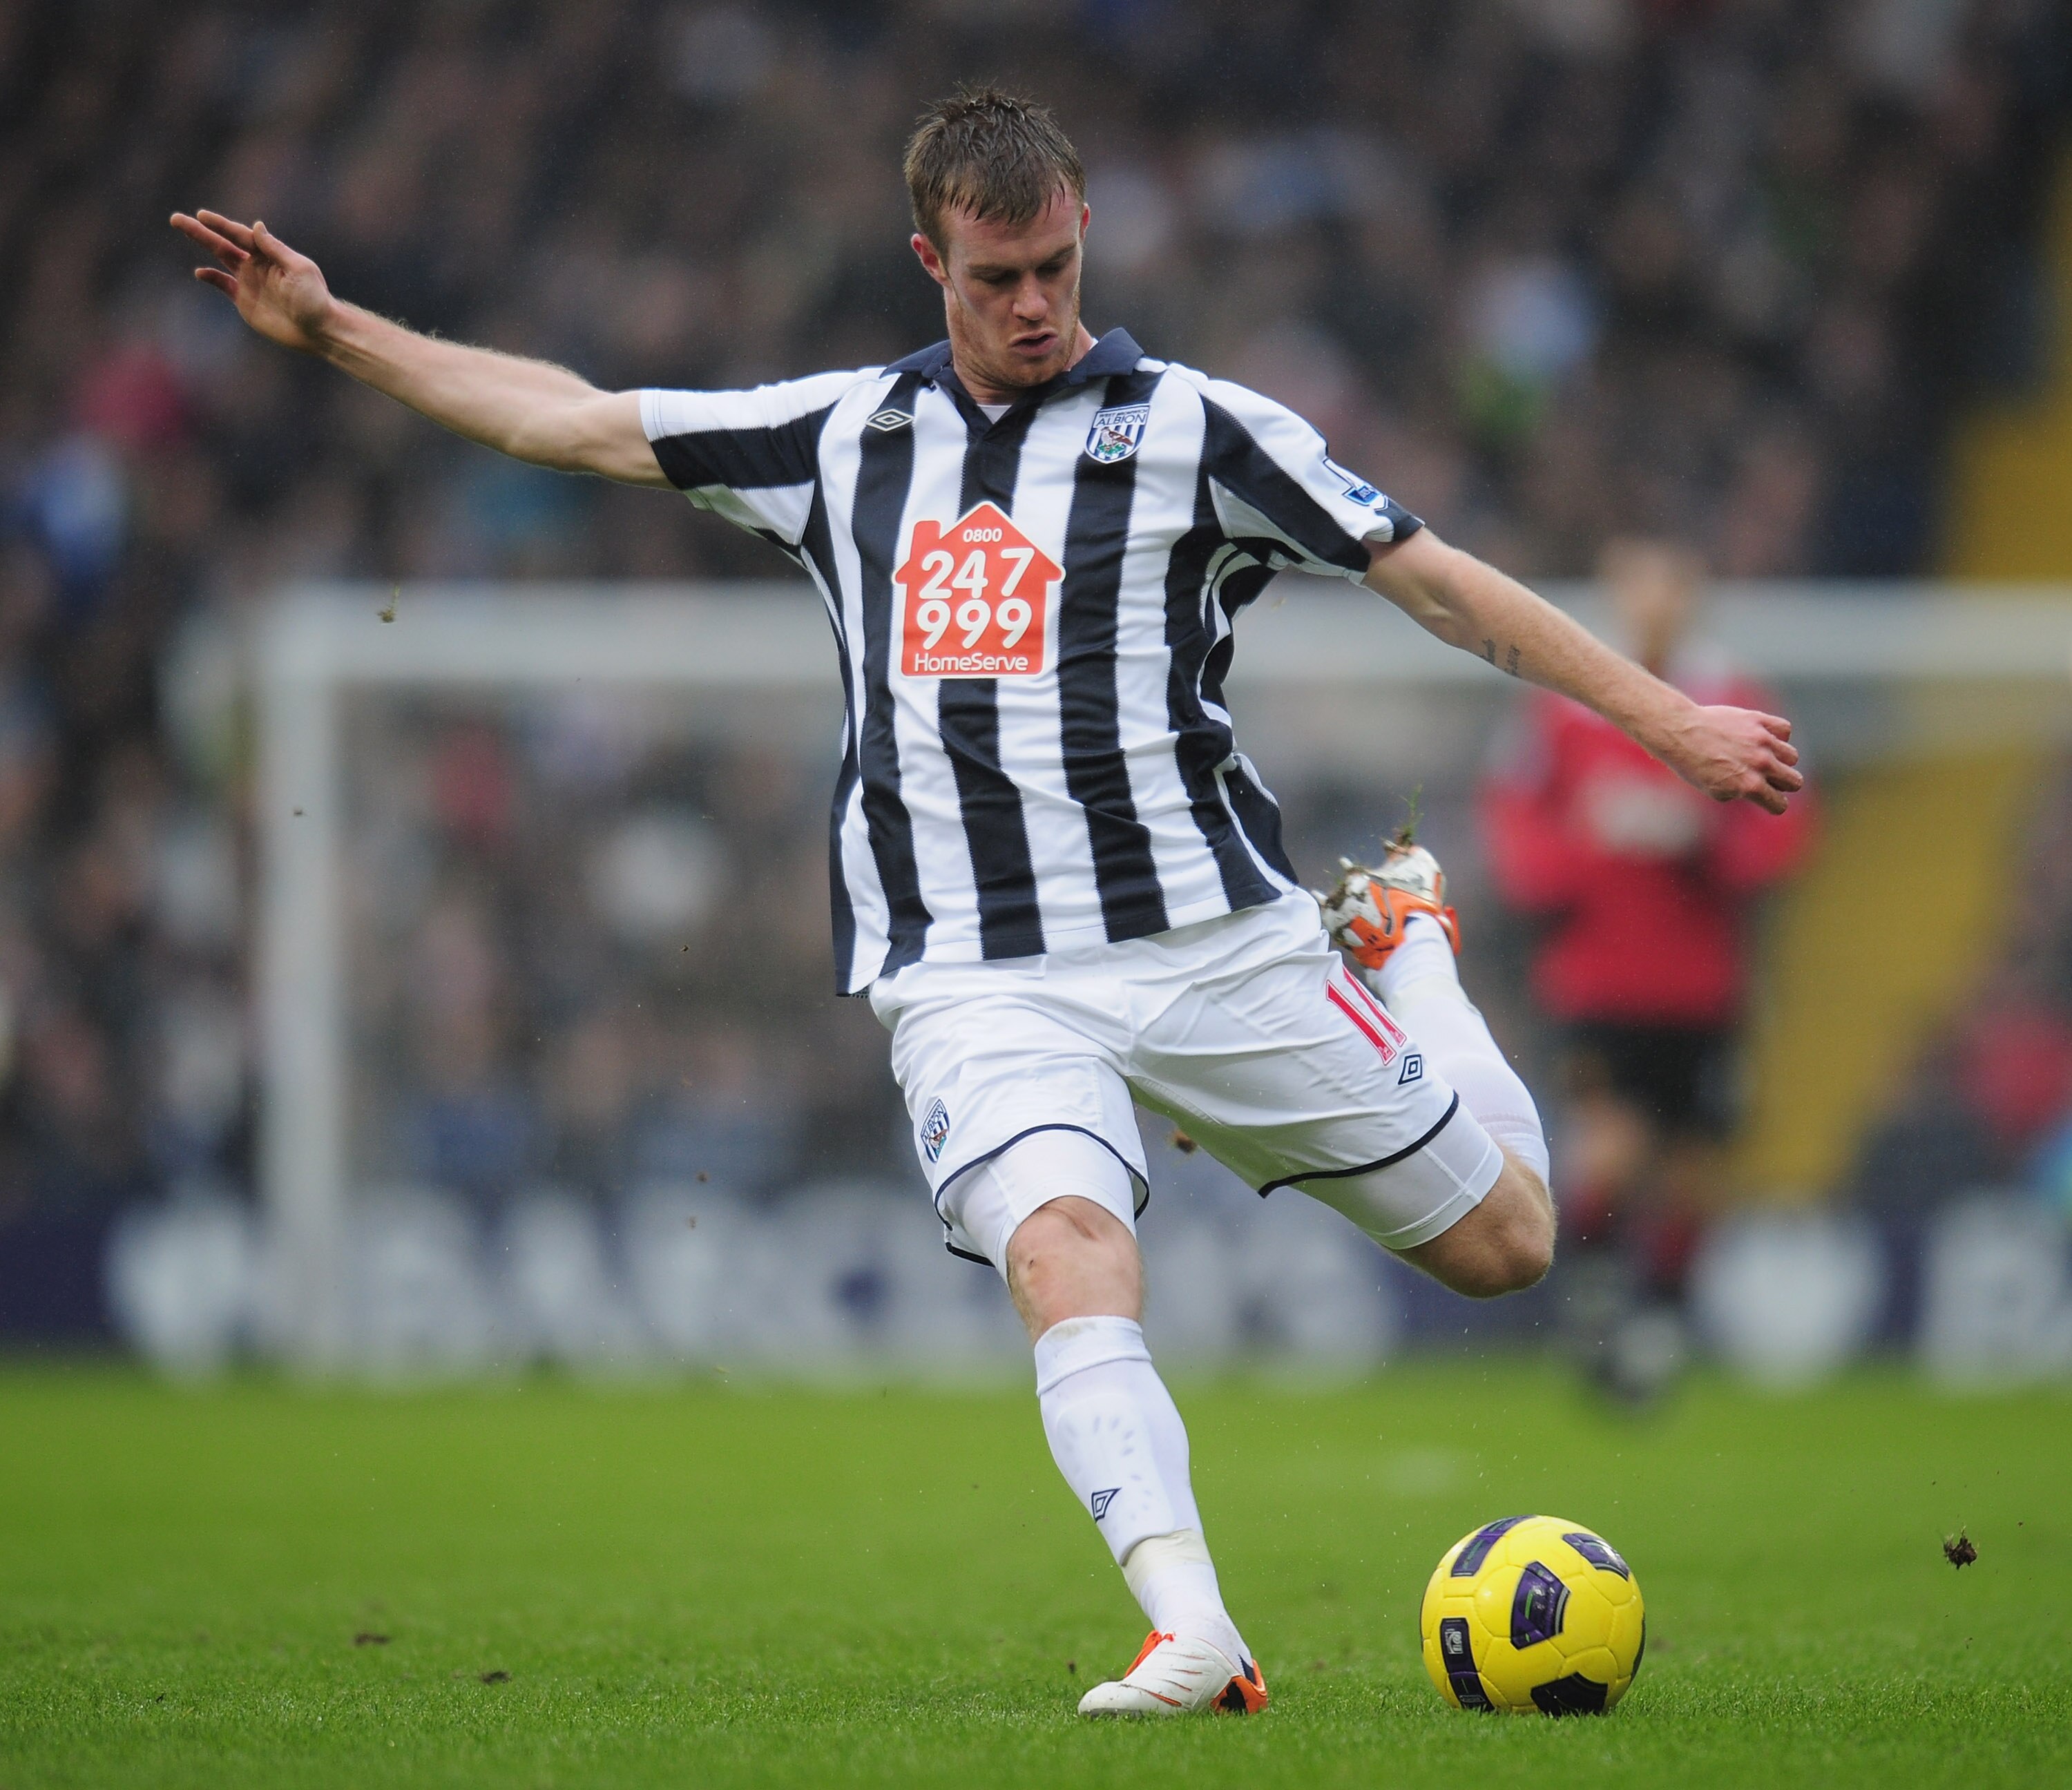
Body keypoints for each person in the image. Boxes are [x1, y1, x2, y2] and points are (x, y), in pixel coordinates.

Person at [173, 88, 1800, 1717]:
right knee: (1063, 1249)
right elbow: (569, 418)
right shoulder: (840, 436)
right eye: (990, 278)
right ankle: (1192, 1628)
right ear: (926, 262)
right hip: (969, 975)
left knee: (1510, 1245)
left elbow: (1437, 579)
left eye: (1048, 267)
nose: (1029, 306)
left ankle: (1410, 950)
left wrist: (1661, 719)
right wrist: (332, 332)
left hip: (1210, 945)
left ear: (1082, 229)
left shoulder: (1195, 428)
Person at [1478, 539, 1816, 1399]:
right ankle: (1596, 1299)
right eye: (1639, 586)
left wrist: (1702, 840)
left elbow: (1782, 833)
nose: (1654, 603)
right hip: (1597, 980)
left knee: (1699, 1166)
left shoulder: (1739, 699)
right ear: (1617, 596)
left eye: (1670, 586)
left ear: (1692, 598)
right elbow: (1517, 832)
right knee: (1612, 1148)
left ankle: (1661, 1314)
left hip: (1705, 983)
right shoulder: (1564, 709)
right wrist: (1589, 853)